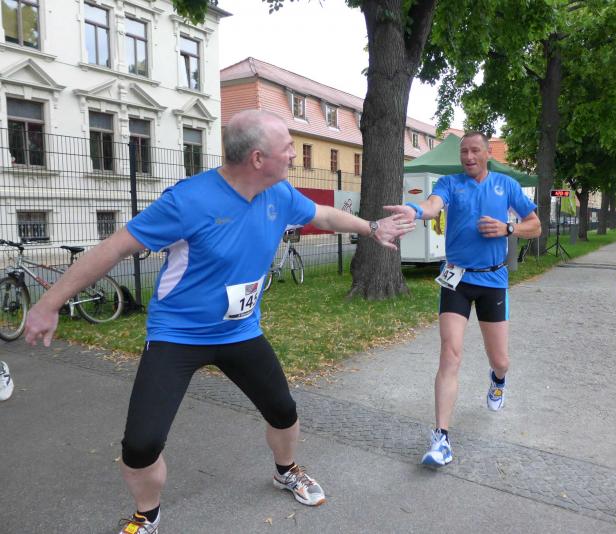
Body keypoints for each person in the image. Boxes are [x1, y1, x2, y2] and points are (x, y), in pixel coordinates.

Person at [23, 110, 415, 533]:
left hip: (240, 332)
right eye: (287, 148)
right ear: (258, 158)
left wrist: (371, 227)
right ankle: (147, 515)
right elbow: (113, 249)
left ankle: (286, 470)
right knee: (141, 444)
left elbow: (321, 215)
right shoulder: (188, 200)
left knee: (283, 411)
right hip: (177, 335)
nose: (293, 155)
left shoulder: (278, 193)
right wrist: (49, 303)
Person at [387, 131, 541, 467]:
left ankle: (498, 379)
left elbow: (535, 225)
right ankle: (441, 438)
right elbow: (432, 206)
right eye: (464, 152)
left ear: (487, 154)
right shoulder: (450, 183)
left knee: (500, 360)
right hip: (456, 279)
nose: (468, 157)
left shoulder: (506, 185)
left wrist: (508, 229)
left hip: (493, 280)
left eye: (475, 151)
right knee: (450, 353)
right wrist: (414, 209)